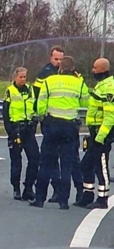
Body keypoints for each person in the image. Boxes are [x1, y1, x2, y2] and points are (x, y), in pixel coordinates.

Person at [29, 55, 89, 209]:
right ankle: (63, 202)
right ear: (73, 69)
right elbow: (85, 101)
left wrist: (42, 117)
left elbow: (41, 103)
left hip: (52, 124)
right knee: (67, 164)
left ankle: (40, 199)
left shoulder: (50, 81)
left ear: (60, 68)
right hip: (69, 127)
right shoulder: (78, 83)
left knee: (46, 163)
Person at [76, 57, 114, 209]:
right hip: (95, 131)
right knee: (86, 165)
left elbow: (110, 116)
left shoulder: (109, 87)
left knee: (101, 166)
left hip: (102, 132)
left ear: (103, 70)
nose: (92, 70)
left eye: (95, 68)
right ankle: (88, 194)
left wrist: (100, 138)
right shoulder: (101, 85)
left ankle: (103, 199)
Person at [3, 67, 39, 201]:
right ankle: (16, 188)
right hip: (15, 129)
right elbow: (5, 113)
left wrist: (34, 121)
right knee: (16, 161)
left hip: (28, 130)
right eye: (21, 77)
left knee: (35, 158)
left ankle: (28, 188)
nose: (23, 79)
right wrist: (10, 131)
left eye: (25, 77)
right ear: (15, 77)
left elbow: (34, 107)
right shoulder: (10, 91)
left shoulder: (30, 90)